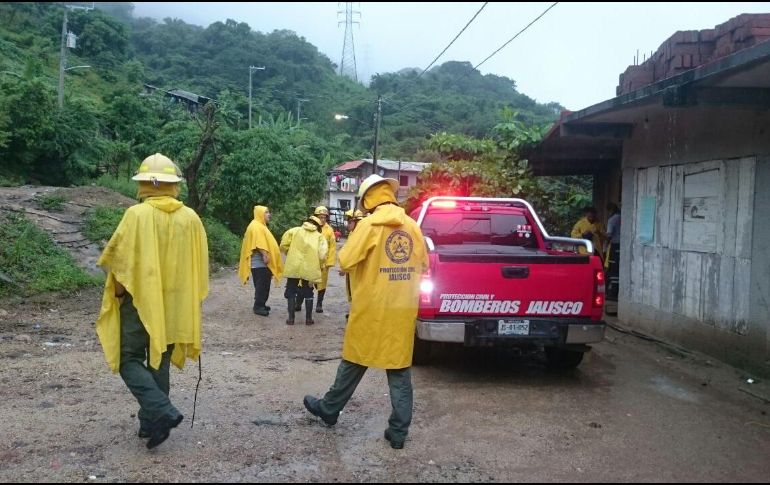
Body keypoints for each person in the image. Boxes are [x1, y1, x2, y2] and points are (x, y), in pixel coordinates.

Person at [303, 174, 428, 450]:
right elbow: (423, 263)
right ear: (390, 194)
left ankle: (329, 409)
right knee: (399, 369)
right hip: (402, 309)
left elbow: (345, 261)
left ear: (368, 198)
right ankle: (398, 432)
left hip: (371, 307)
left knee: (355, 360)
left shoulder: (368, 225)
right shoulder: (412, 227)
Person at [95, 153, 209, 449]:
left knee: (127, 358)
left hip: (140, 301)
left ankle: (160, 411)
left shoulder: (137, 215)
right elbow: (200, 268)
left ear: (144, 184)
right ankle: (152, 424)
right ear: (174, 185)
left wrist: (119, 294)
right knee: (159, 361)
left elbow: (120, 262)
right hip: (176, 304)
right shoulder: (191, 218)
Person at [280, 216, 328, 325]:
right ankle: (308, 319)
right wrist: (320, 266)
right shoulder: (319, 237)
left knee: (291, 291)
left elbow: (283, 245)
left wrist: (289, 253)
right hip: (310, 268)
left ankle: (291, 319)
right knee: (308, 292)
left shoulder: (294, 231)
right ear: (317, 226)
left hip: (293, 266)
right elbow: (322, 255)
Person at [238, 205, 283, 316]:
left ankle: (261, 304)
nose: (269, 214)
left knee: (263, 285)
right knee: (262, 285)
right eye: (266, 212)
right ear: (259, 214)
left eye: (268, 212)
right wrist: (265, 254)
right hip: (259, 263)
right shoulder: (256, 226)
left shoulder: (259, 225)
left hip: (261, 264)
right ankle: (258, 306)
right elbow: (259, 243)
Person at [312, 206, 337, 314]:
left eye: (324, 217)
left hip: (323, 263)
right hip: (311, 261)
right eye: (320, 217)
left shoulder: (329, 230)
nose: (322, 219)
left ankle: (319, 304)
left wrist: (329, 262)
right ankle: (299, 302)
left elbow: (332, 247)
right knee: (306, 283)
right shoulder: (310, 227)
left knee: (322, 284)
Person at [605, 203, 621, 301]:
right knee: (619, 270)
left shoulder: (612, 220)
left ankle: (613, 293)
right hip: (623, 246)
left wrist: (605, 244)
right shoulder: (623, 217)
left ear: (611, 210)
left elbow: (609, 234)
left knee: (613, 270)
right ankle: (617, 291)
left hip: (615, 246)